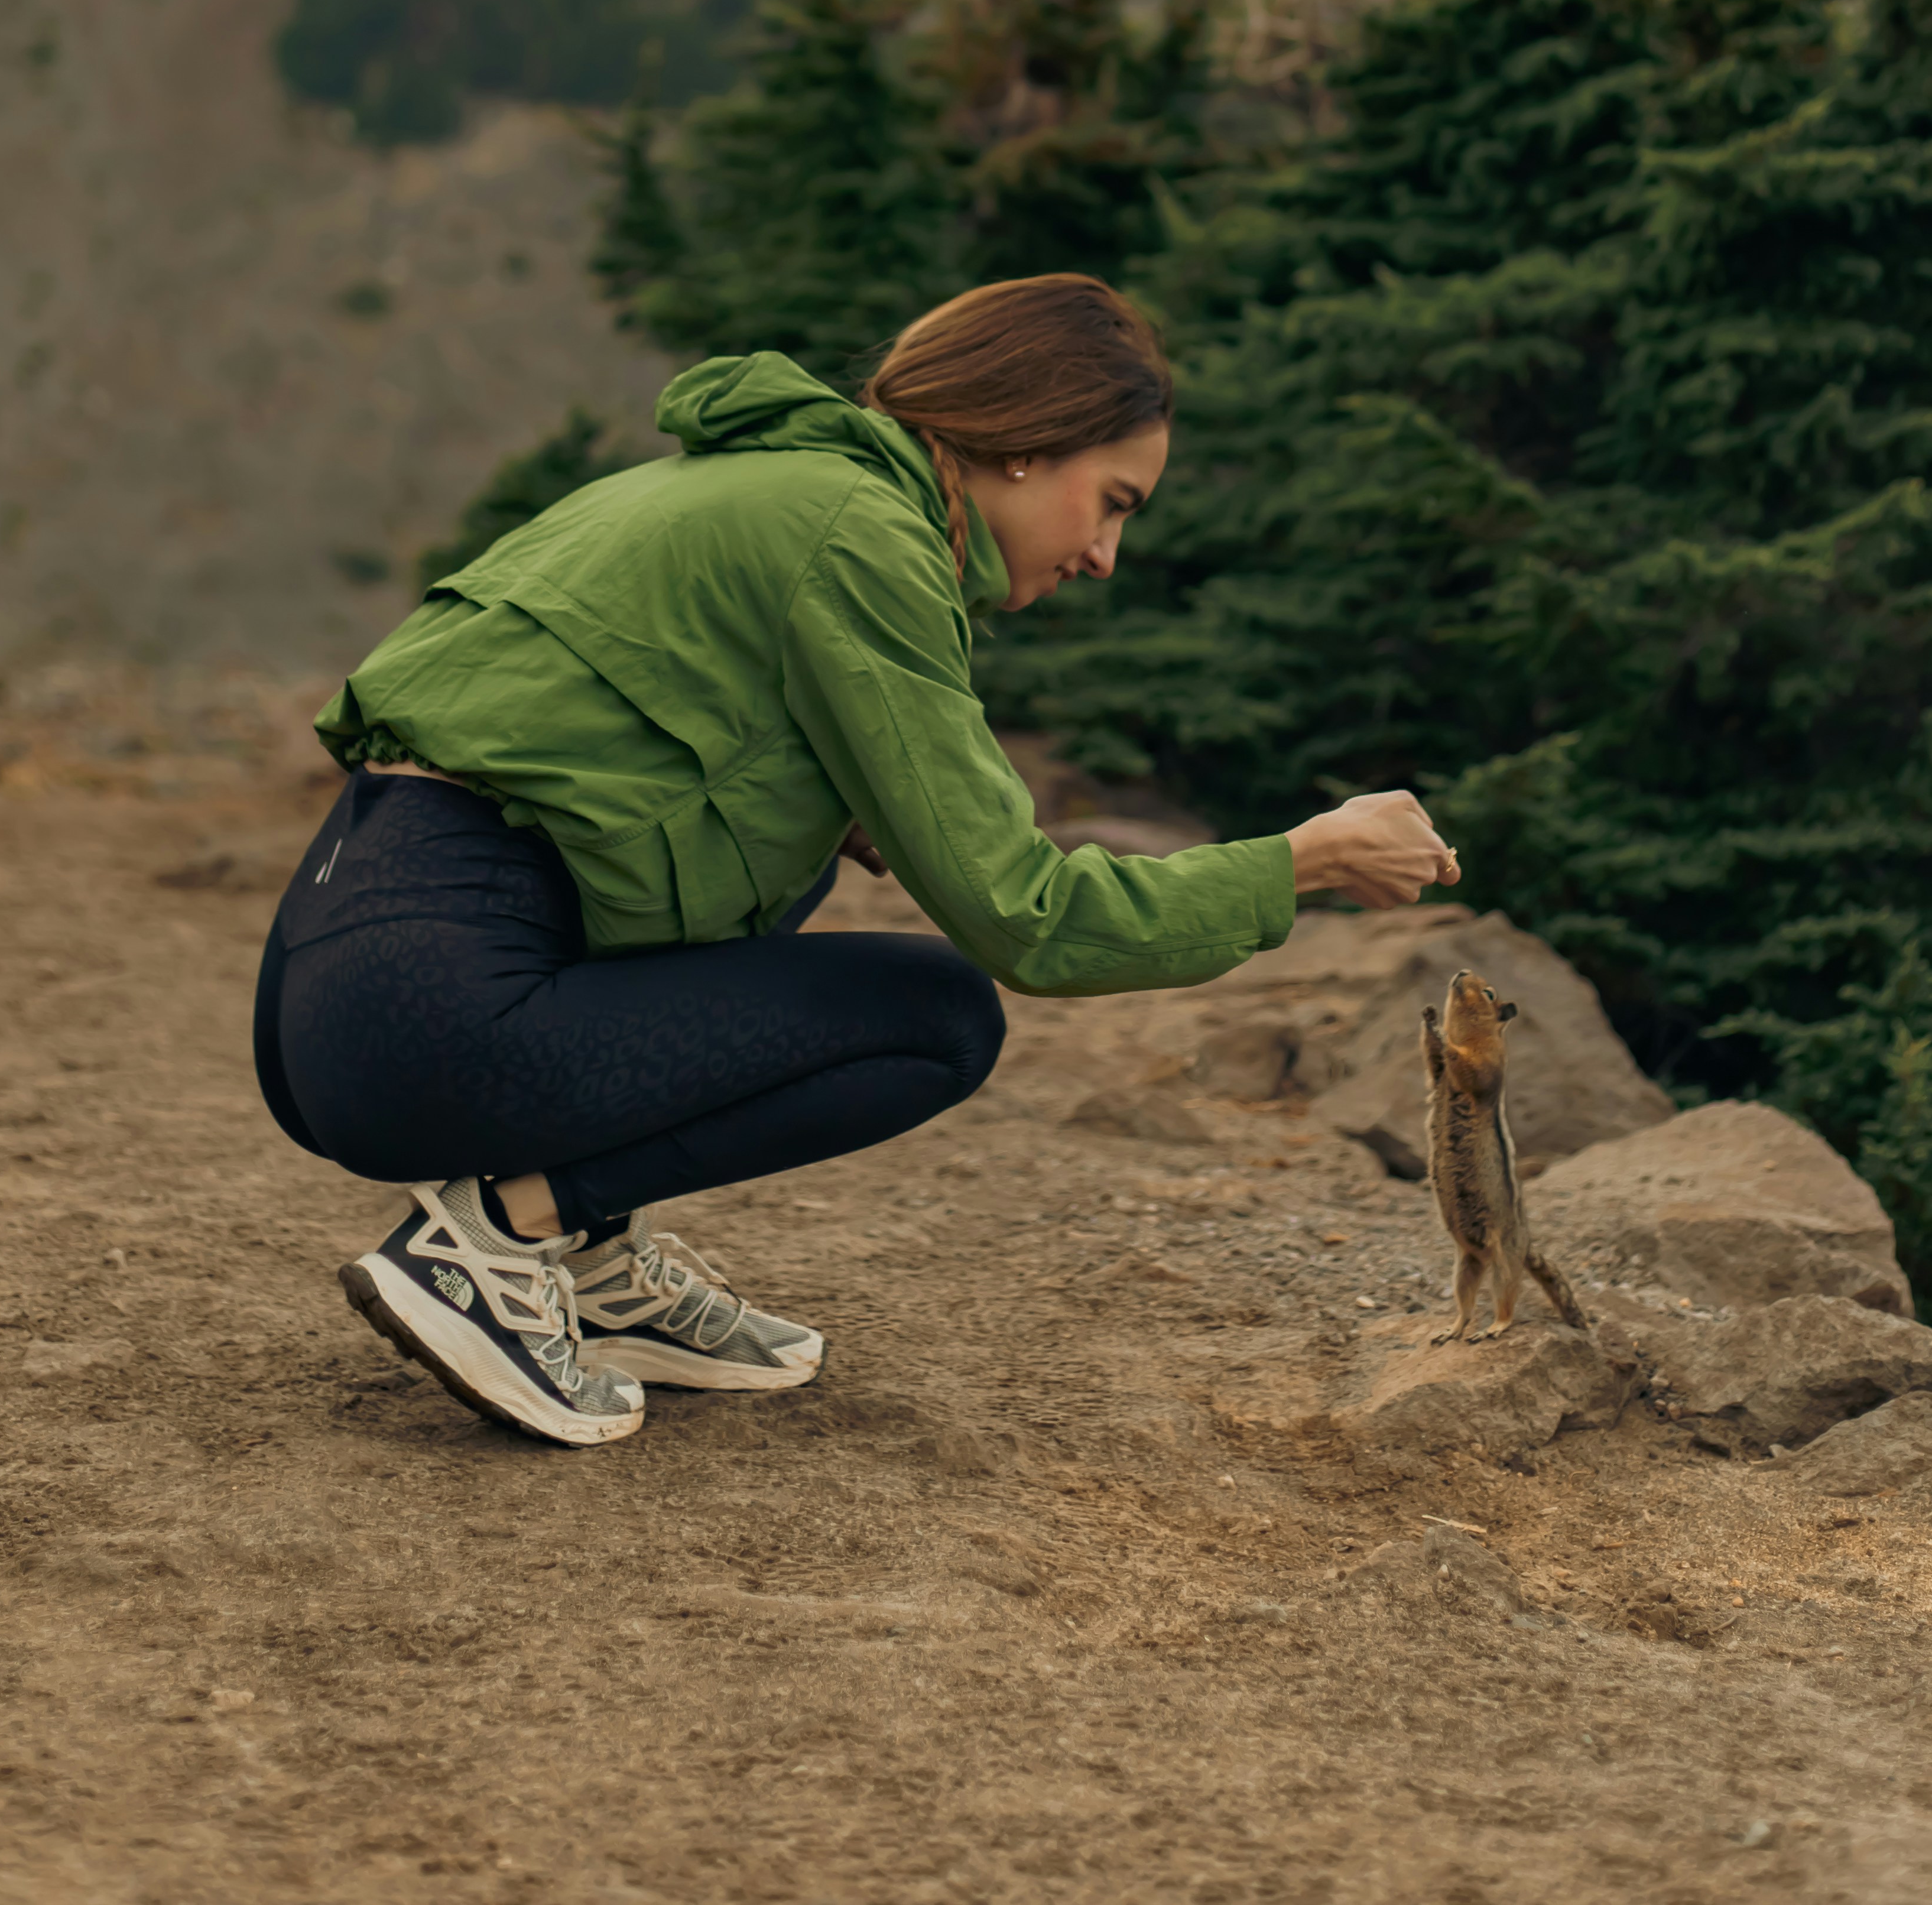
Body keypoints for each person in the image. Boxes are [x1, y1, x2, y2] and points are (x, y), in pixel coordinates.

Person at [254, 272, 1458, 1449]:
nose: (1105, 554)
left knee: (811, 853)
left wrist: (825, 809)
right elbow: (1032, 921)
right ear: (1029, 445)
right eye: (1114, 501)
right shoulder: (860, 533)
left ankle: (591, 1256)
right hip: (432, 1020)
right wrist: (1295, 862)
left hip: (347, 988)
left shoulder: (766, 486)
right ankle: (501, 1237)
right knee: (936, 1016)